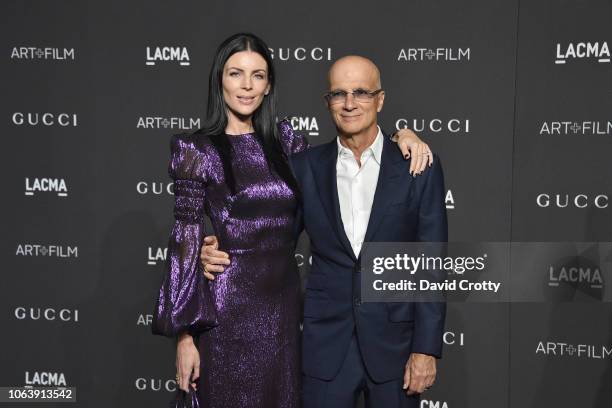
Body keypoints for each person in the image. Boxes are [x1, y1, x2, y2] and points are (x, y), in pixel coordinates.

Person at [152, 32, 433, 408]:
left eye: (258, 75)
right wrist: (184, 339)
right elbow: (185, 240)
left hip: (282, 312)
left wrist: (402, 134)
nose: (247, 86)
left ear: (269, 85)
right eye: (236, 74)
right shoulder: (196, 149)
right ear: (220, 79)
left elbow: (351, 151)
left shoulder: (287, 144)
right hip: (226, 310)